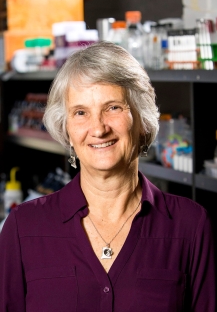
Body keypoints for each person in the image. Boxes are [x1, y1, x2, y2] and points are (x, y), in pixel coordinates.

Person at [0, 41, 216, 312]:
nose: (98, 128)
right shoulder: (23, 228)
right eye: (80, 113)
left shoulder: (190, 226)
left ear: (141, 119)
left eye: (112, 107)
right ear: (66, 130)